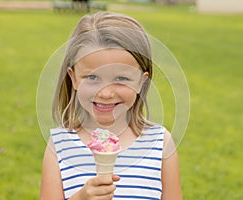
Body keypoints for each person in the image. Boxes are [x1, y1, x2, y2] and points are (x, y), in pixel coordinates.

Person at [40, 11, 182, 200]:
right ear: (73, 78)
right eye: (92, 77)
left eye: (121, 78)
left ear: (141, 81)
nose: (106, 93)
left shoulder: (161, 143)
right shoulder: (59, 145)